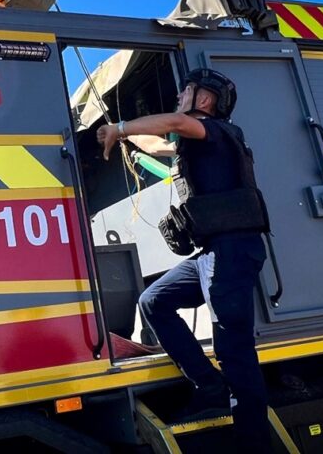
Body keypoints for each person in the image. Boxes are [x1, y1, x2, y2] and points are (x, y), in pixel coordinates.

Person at [96, 68, 270, 452]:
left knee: (235, 351)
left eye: (186, 91)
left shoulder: (218, 132)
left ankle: (254, 442)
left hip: (232, 252)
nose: (178, 96)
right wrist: (118, 134)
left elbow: (175, 122)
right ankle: (209, 387)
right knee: (154, 301)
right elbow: (160, 144)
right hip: (212, 254)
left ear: (204, 101)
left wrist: (121, 127)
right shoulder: (197, 142)